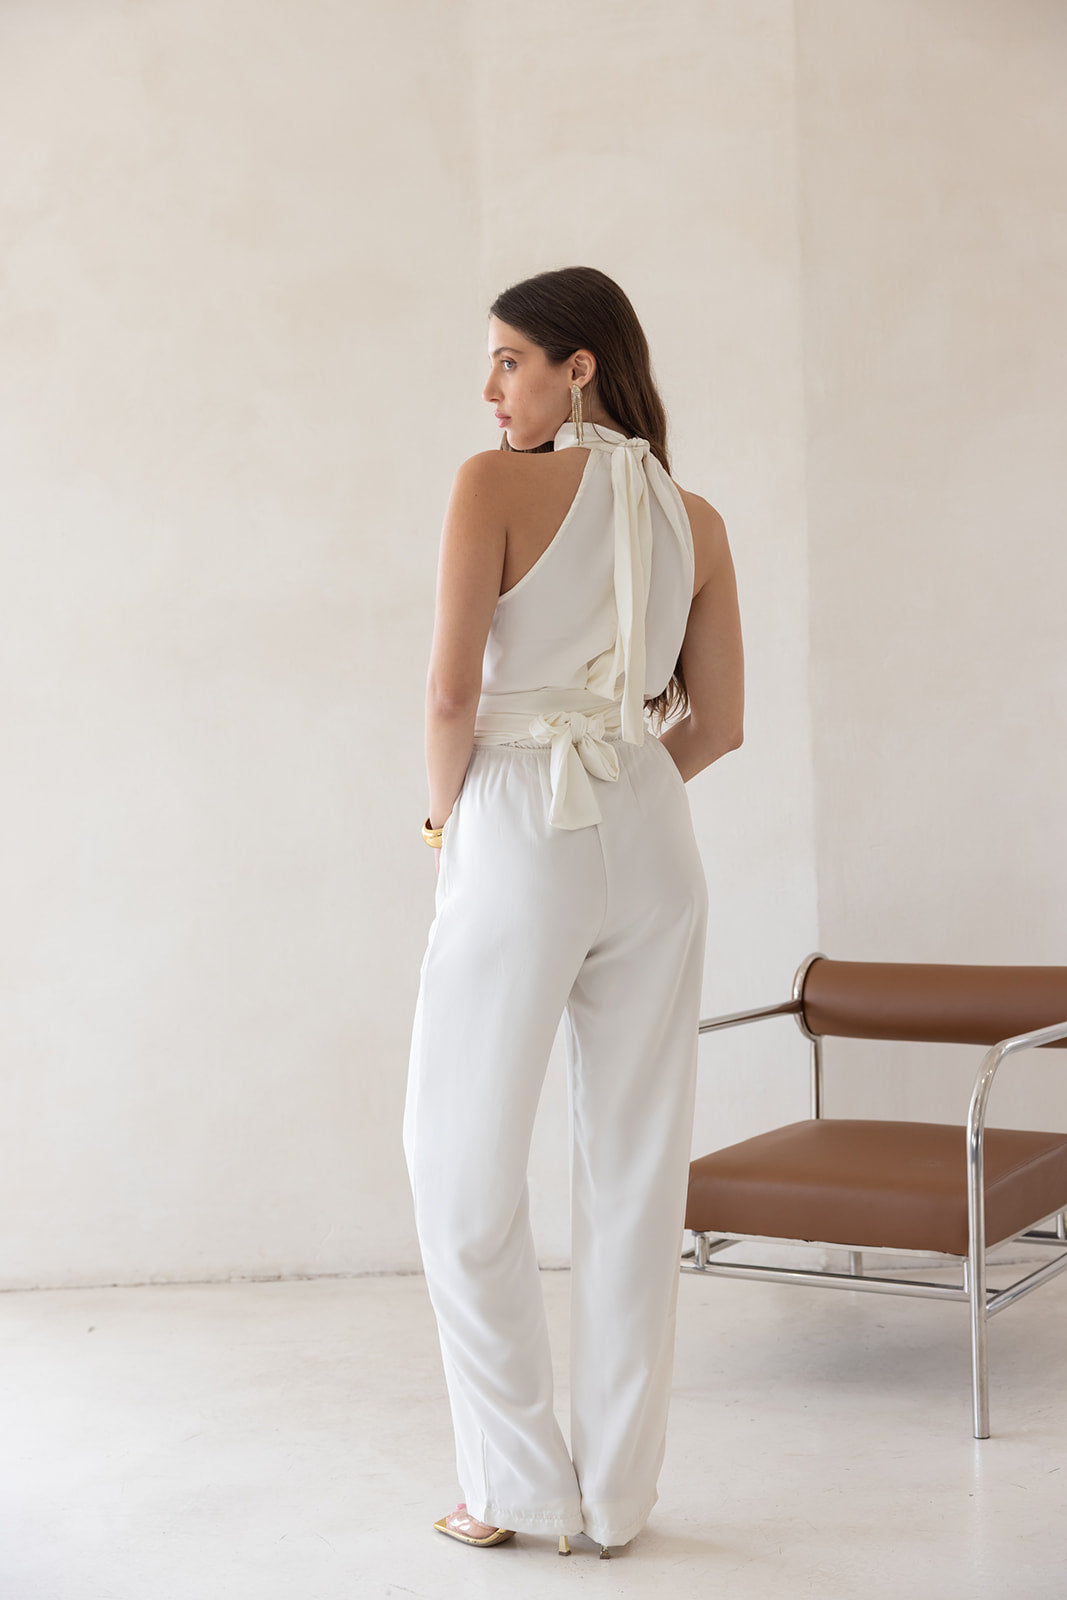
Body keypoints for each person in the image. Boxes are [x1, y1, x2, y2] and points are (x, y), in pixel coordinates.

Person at [403, 265, 744, 1559]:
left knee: (459, 1158)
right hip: (651, 835)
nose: (491, 388)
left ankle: (514, 1489)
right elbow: (721, 723)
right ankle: (615, 1501)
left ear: (579, 365)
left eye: (510, 359)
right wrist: (627, 791)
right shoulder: (698, 520)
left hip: (519, 819)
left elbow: (450, 697)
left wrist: (447, 827)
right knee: (638, 1166)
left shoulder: (492, 485)